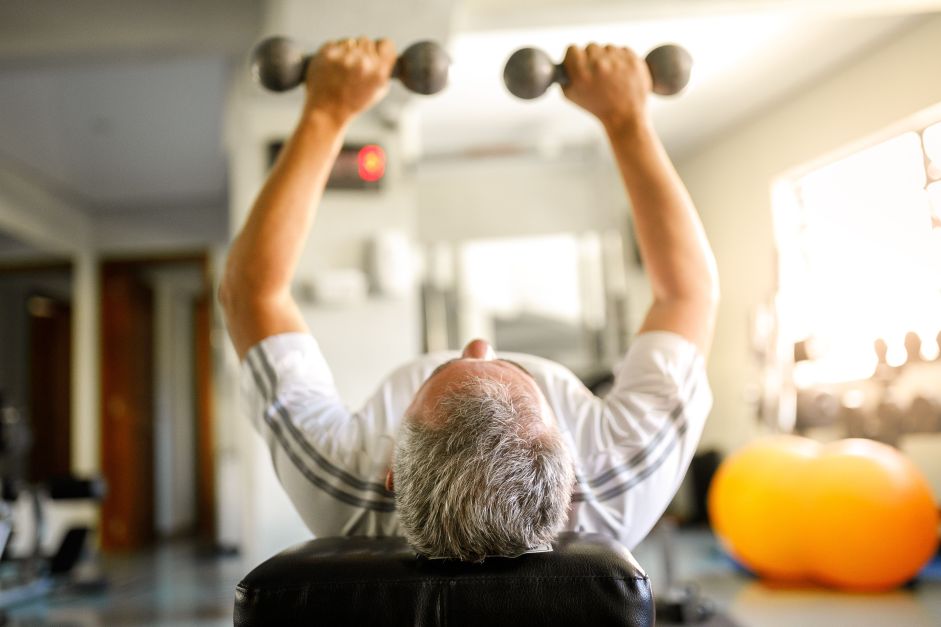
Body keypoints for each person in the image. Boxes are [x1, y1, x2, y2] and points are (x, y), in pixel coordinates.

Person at [220, 37, 719, 562]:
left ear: (391, 475)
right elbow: (687, 292)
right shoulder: (618, 476)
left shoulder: (346, 484)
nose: (478, 345)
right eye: (510, 368)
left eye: (446, 368)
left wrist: (327, 111)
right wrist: (626, 119)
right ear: (574, 469)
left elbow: (252, 292)